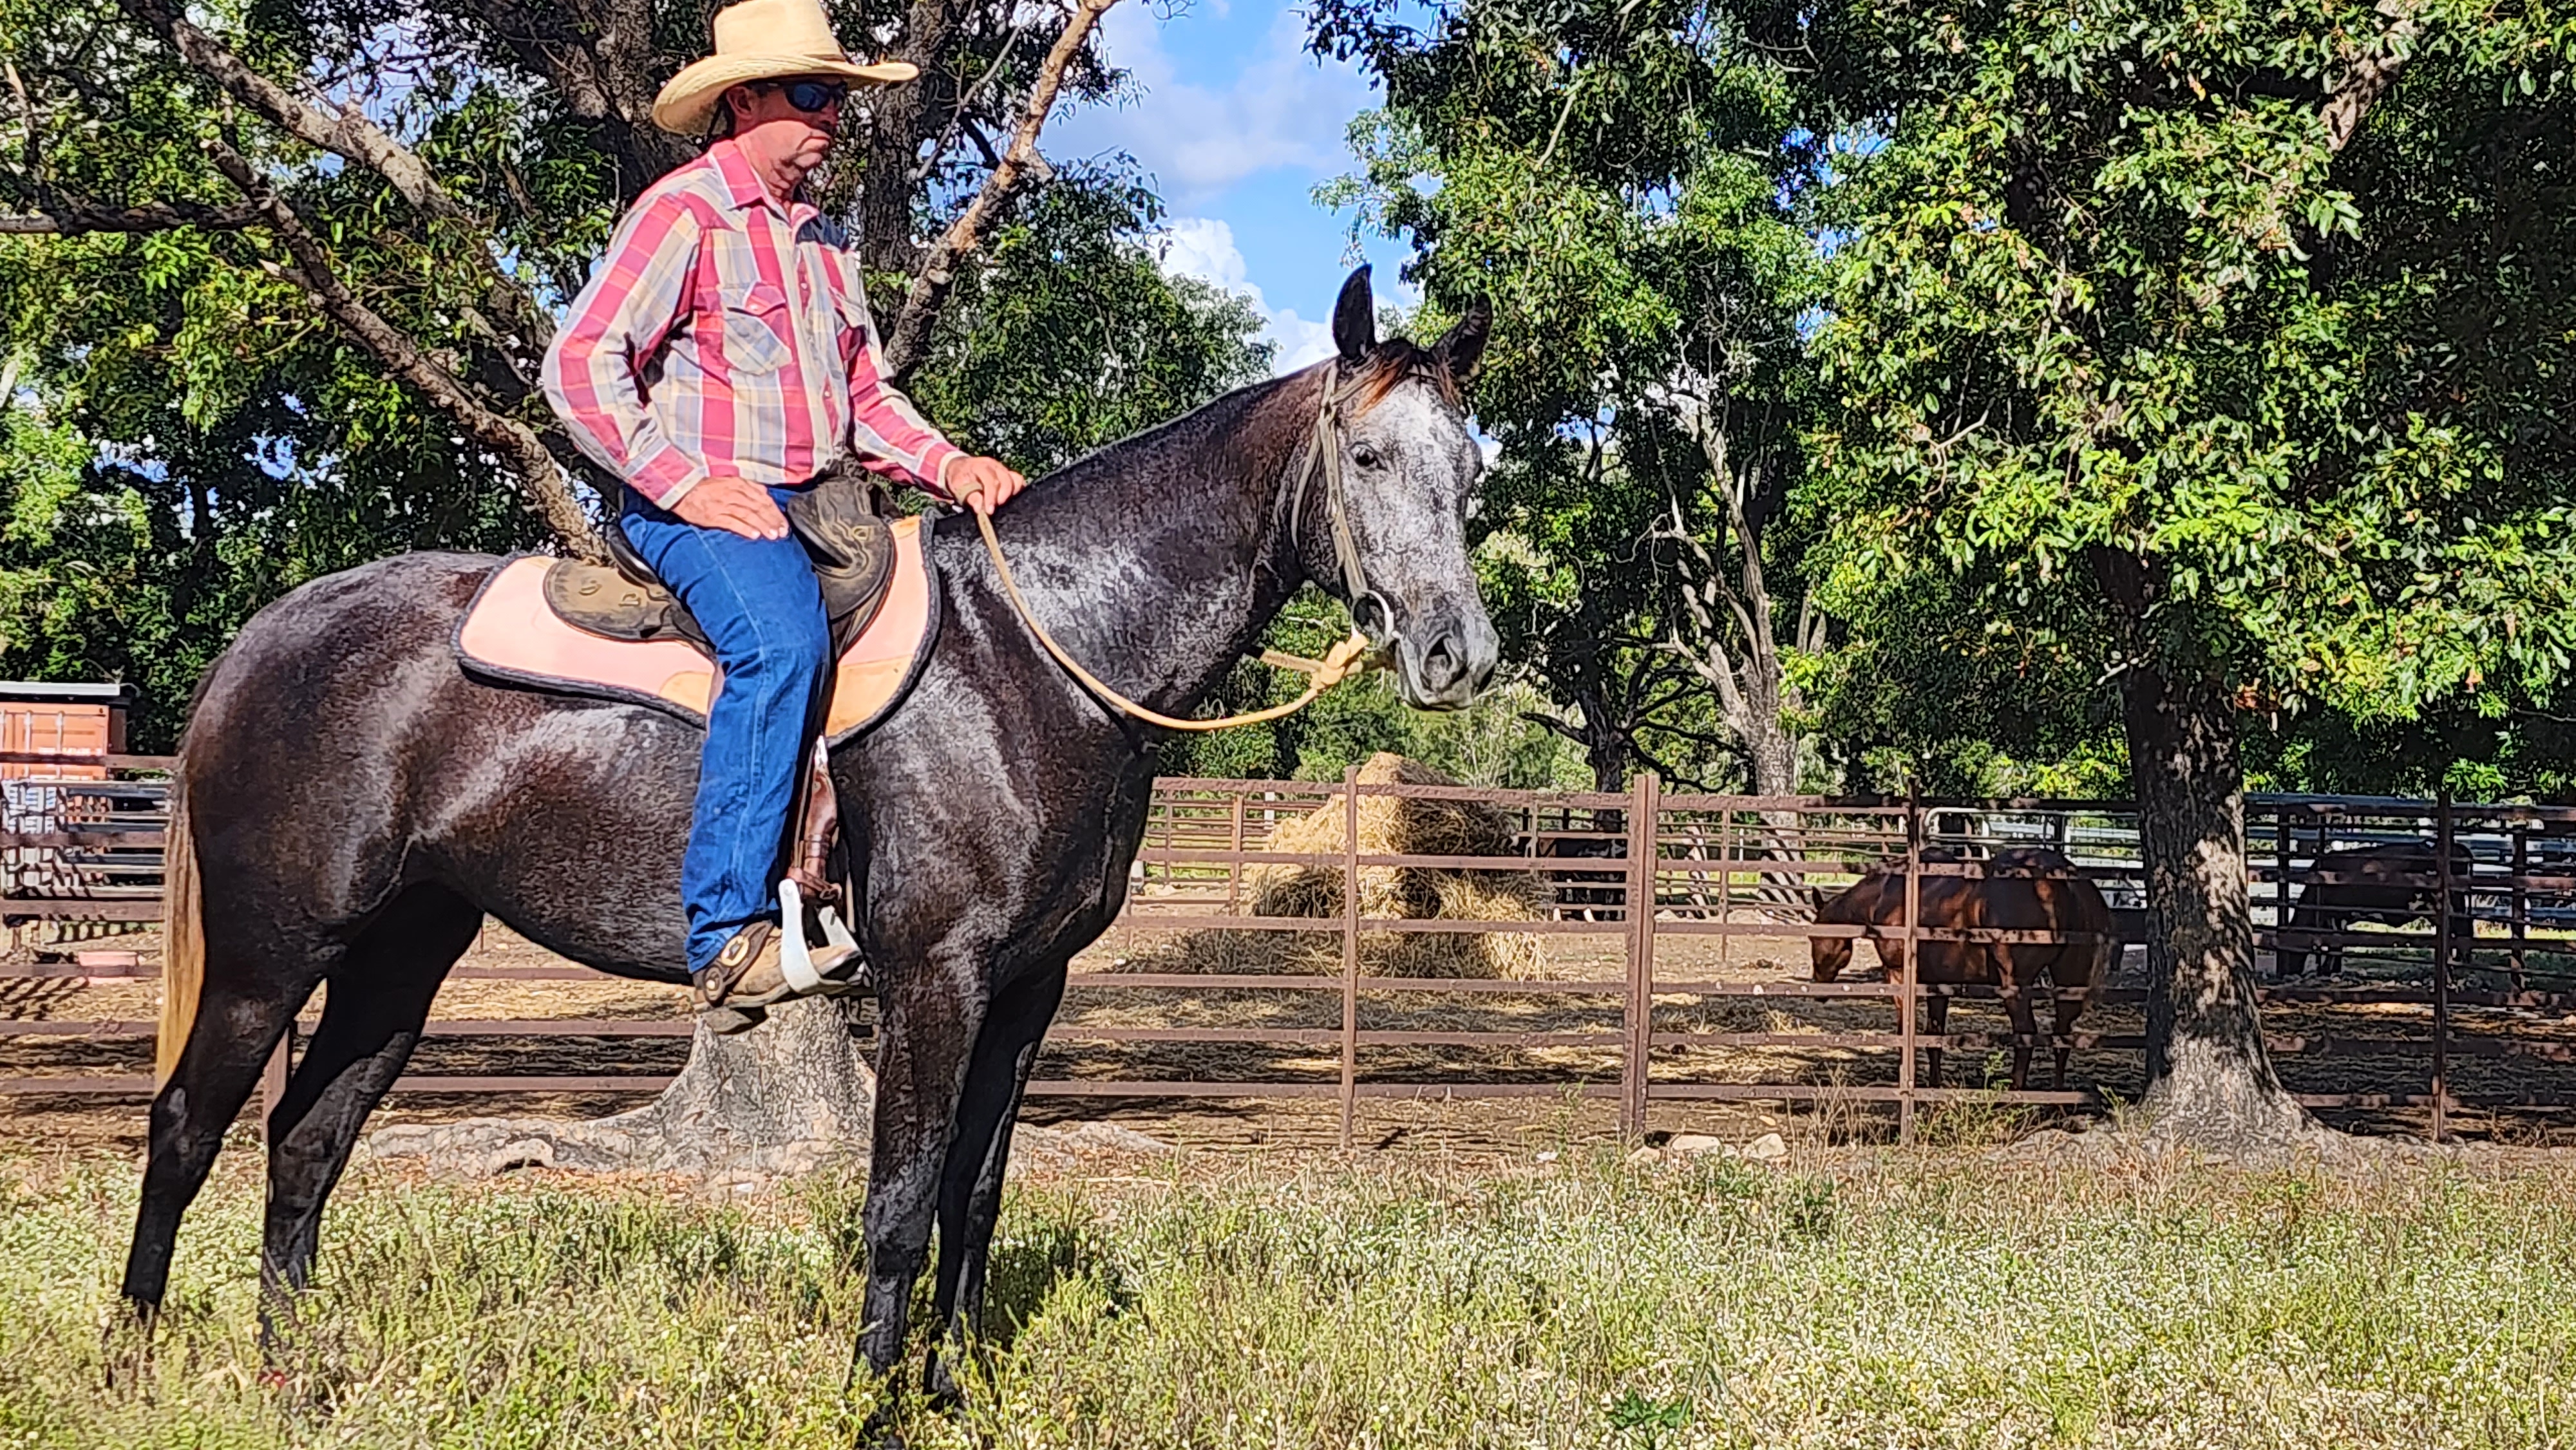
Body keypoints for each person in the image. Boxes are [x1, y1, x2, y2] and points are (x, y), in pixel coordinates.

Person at [543, 0, 1025, 1026]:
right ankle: (726, 935)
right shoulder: (683, 215)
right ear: (744, 101)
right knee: (780, 646)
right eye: (811, 95)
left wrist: (952, 466)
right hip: (701, 506)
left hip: (821, 505)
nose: (830, 118)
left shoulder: (823, 241)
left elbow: (866, 399)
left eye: (837, 98)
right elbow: (580, 363)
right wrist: (682, 483)